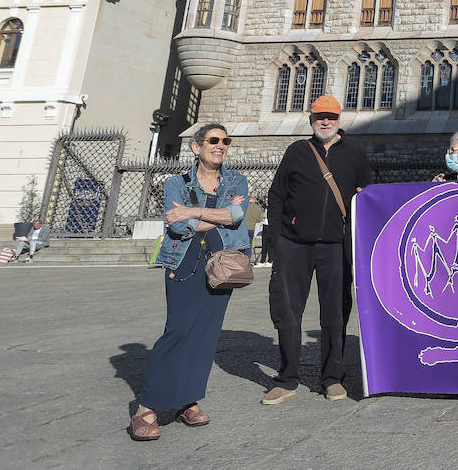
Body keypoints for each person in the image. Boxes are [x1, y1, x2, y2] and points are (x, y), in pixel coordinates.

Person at [129, 123, 249, 441]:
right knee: (179, 330)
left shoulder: (237, 180)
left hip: (223, 265)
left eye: (225, 141)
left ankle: (187, 401)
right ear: (196, 147)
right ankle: (146, 408)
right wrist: (218, 214)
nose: (220, 145)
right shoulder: (175, 183)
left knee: (205, 335)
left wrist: (193, 213)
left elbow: (237, 216)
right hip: (184, 260)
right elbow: (177, 227)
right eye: (213, 140)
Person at [264, 95, 372, 406]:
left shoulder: (354, 152)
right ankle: (286, 378)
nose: (325, 122)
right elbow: (277, 194)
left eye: (331, 117)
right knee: (287, 312)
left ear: (340, 119)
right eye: (319, 117)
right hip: (294, 245)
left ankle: (332, 378)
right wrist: (278, 240)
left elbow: (367, 194)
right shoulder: (297, 151)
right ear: (311, 119)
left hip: (336, 246)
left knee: (335, 313)